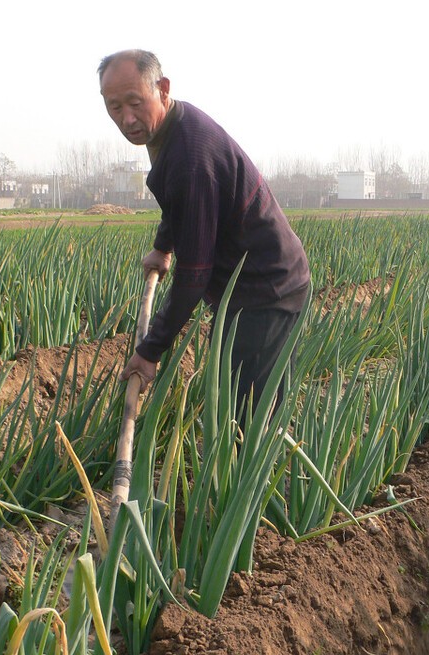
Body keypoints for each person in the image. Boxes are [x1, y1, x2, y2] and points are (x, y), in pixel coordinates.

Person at [98, 49, 310, 417]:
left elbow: (194, 275)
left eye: (135, 103)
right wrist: (163, 247)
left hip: (266, 291)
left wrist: (150, 351)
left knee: (244, 417)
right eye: (114, 107)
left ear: (162, 89)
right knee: (235, 402)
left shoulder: (191, 158)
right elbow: (180, 205)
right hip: (249, 286)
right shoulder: (173, 126)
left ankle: (256, 473)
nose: (126, 118)